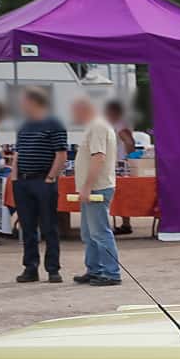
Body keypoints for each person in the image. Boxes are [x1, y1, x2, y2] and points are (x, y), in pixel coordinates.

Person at [11, 88, 68, 283]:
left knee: (49, 225)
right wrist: (14, 177)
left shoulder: (54, 123)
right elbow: (18, 153)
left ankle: (53, 268)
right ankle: (30, 267)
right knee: (27, 226)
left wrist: (51, 177)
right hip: (23, 182)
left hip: (43, 180)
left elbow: (61, 154)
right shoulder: (24, 125)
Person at [70, 95, 120, 287]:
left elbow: (98, 157)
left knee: (99, 232)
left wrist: (87, 186)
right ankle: (95, 269)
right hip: (93, 188)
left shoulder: (97, 126)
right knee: (90, 233)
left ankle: (111, 272)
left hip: (97, 188)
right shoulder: (97, 126)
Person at [106, 100, 137, 236]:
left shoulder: (118, 125)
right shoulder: (120, 124)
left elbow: (129, 142)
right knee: (121, 193)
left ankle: (126, 223)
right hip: (119, 161)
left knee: (121, 193)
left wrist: (127, 158)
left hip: (120, 163)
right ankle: (125, 223)